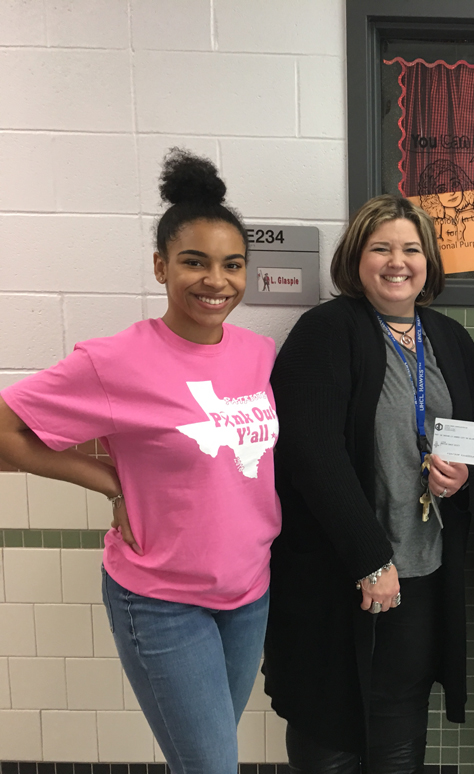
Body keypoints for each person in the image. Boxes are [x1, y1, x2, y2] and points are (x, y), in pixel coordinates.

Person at [0, 149, 280, 774]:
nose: (216, 281)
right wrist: (105, 480)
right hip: (160, 599)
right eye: (194, 262)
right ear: (160, 267)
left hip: (248, 593)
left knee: (210, 757)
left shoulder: (257, 354)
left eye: (232, 265)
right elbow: (5, 432)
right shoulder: (115, 361)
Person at [262, 194, 474, 774]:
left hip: (421, 569)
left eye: (411, 249)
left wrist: (461, 476)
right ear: (356, 259)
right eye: (381, 247)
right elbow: (311, 453)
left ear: (429, 261)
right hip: (340, 571)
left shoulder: (450, 338)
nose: (398, 261)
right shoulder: (325, 330)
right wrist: (370, 559)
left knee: (398, 721)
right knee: (330, 724)